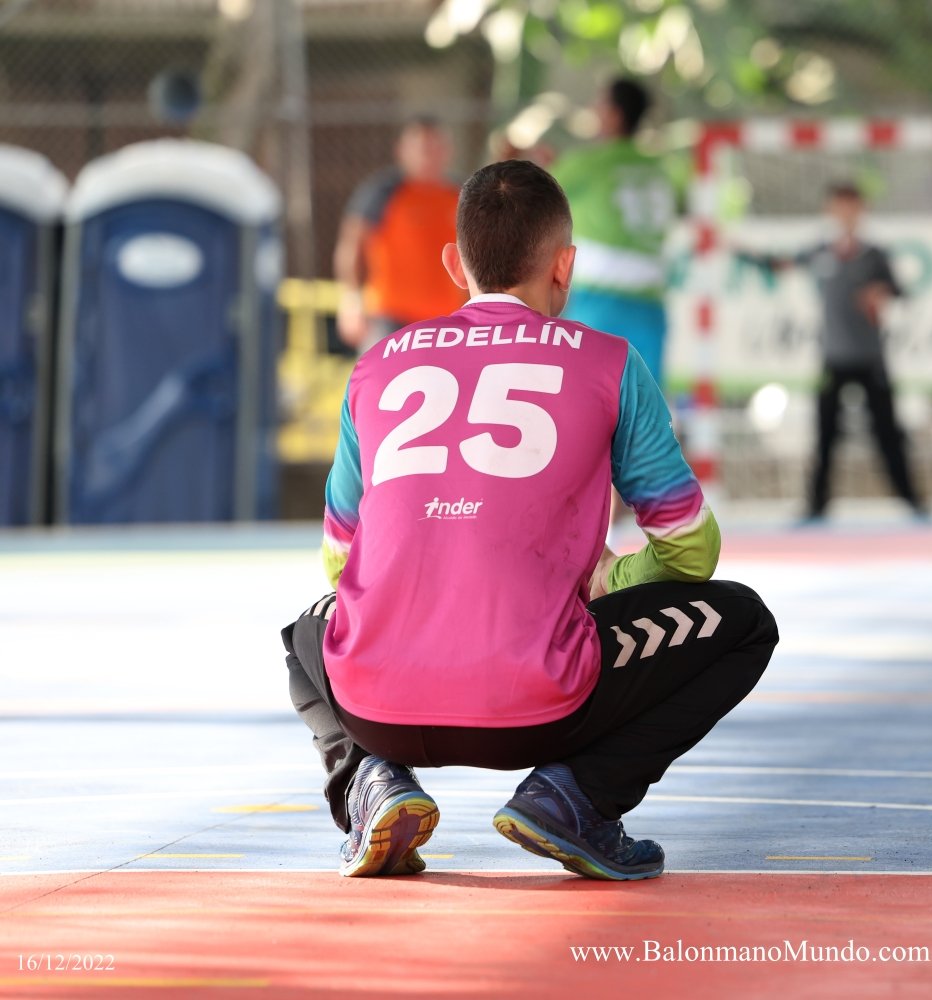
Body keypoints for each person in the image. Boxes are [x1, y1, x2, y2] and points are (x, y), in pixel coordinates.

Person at [282, 160, 778, 882]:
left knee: (306, 631)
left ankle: (371, 782)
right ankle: (577, 798)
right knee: (743, 621)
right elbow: (688, 550)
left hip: (376, 706)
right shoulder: (609, 363)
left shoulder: (377, 366)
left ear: (455, 265)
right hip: (534, 708)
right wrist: (608, 579)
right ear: (564, 266)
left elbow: (339, 562)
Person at [739, 182, 925, 522]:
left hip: (870, 358)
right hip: (834, 357)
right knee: (825, 435)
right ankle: (817, 506)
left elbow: (900, 291)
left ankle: (913, 502)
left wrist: (879, 292)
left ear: (861, 210)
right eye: (840, 206)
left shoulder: (874, 256)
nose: (846, 214)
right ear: (830, 210)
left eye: (851, 206)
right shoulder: (821, 252)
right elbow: (780, 265)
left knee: (887, 433)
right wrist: (737, 249)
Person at [549, 78, 675, 386]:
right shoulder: (661, 169)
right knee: (644, 402)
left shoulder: (589, 165)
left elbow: (533, 192)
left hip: (599, 302)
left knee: (586, 398)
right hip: (650, 305)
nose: (593, 110)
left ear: (615, 115)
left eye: (600, 104)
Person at [334, 116, 465, 354]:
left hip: (447, 320)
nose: (429, 156)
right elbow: (352, 245)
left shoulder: (460, 194)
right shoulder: (383, 192)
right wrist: (351, 300)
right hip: (390, 316)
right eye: (422, 148)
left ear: (448, 151)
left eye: (436, 148)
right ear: (402, 150)